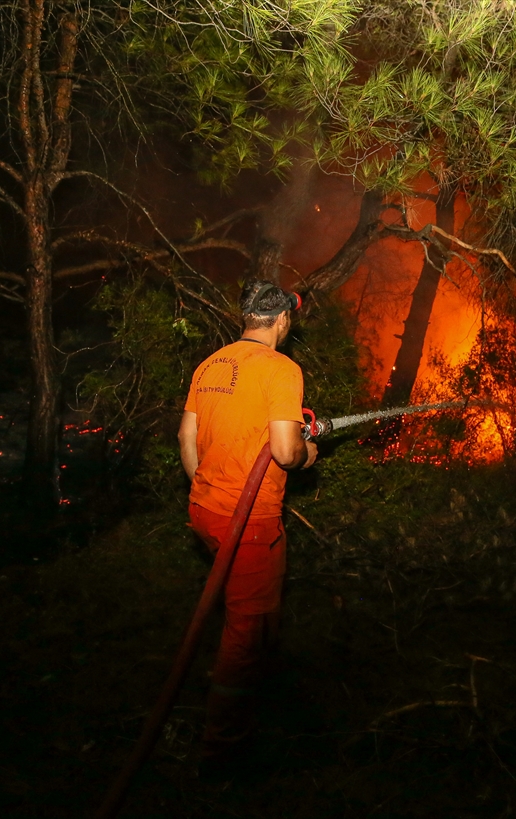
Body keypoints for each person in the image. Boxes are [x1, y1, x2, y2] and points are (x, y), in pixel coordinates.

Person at [178, 280, 318, 761]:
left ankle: (266, 685)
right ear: (281, 320)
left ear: (246, 317)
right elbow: (283, 451)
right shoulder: (282, 369)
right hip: (248, 521)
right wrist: (308, 452)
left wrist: (209, 491)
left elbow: (185, 438)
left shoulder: (211, 363)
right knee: (245, 630)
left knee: (262, 610)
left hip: (205, 512)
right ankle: (224, 741)